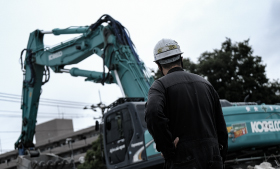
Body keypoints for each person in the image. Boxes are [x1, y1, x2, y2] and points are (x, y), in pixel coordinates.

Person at [145, 39, 228, 169]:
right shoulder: (206, 84)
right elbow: (221, 128)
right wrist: (220, 156)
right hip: (213, 158)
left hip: (183, 160)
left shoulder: (159, 86)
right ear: (181, 59)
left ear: (158, 65)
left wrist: (167, 148)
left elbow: (153, 112)